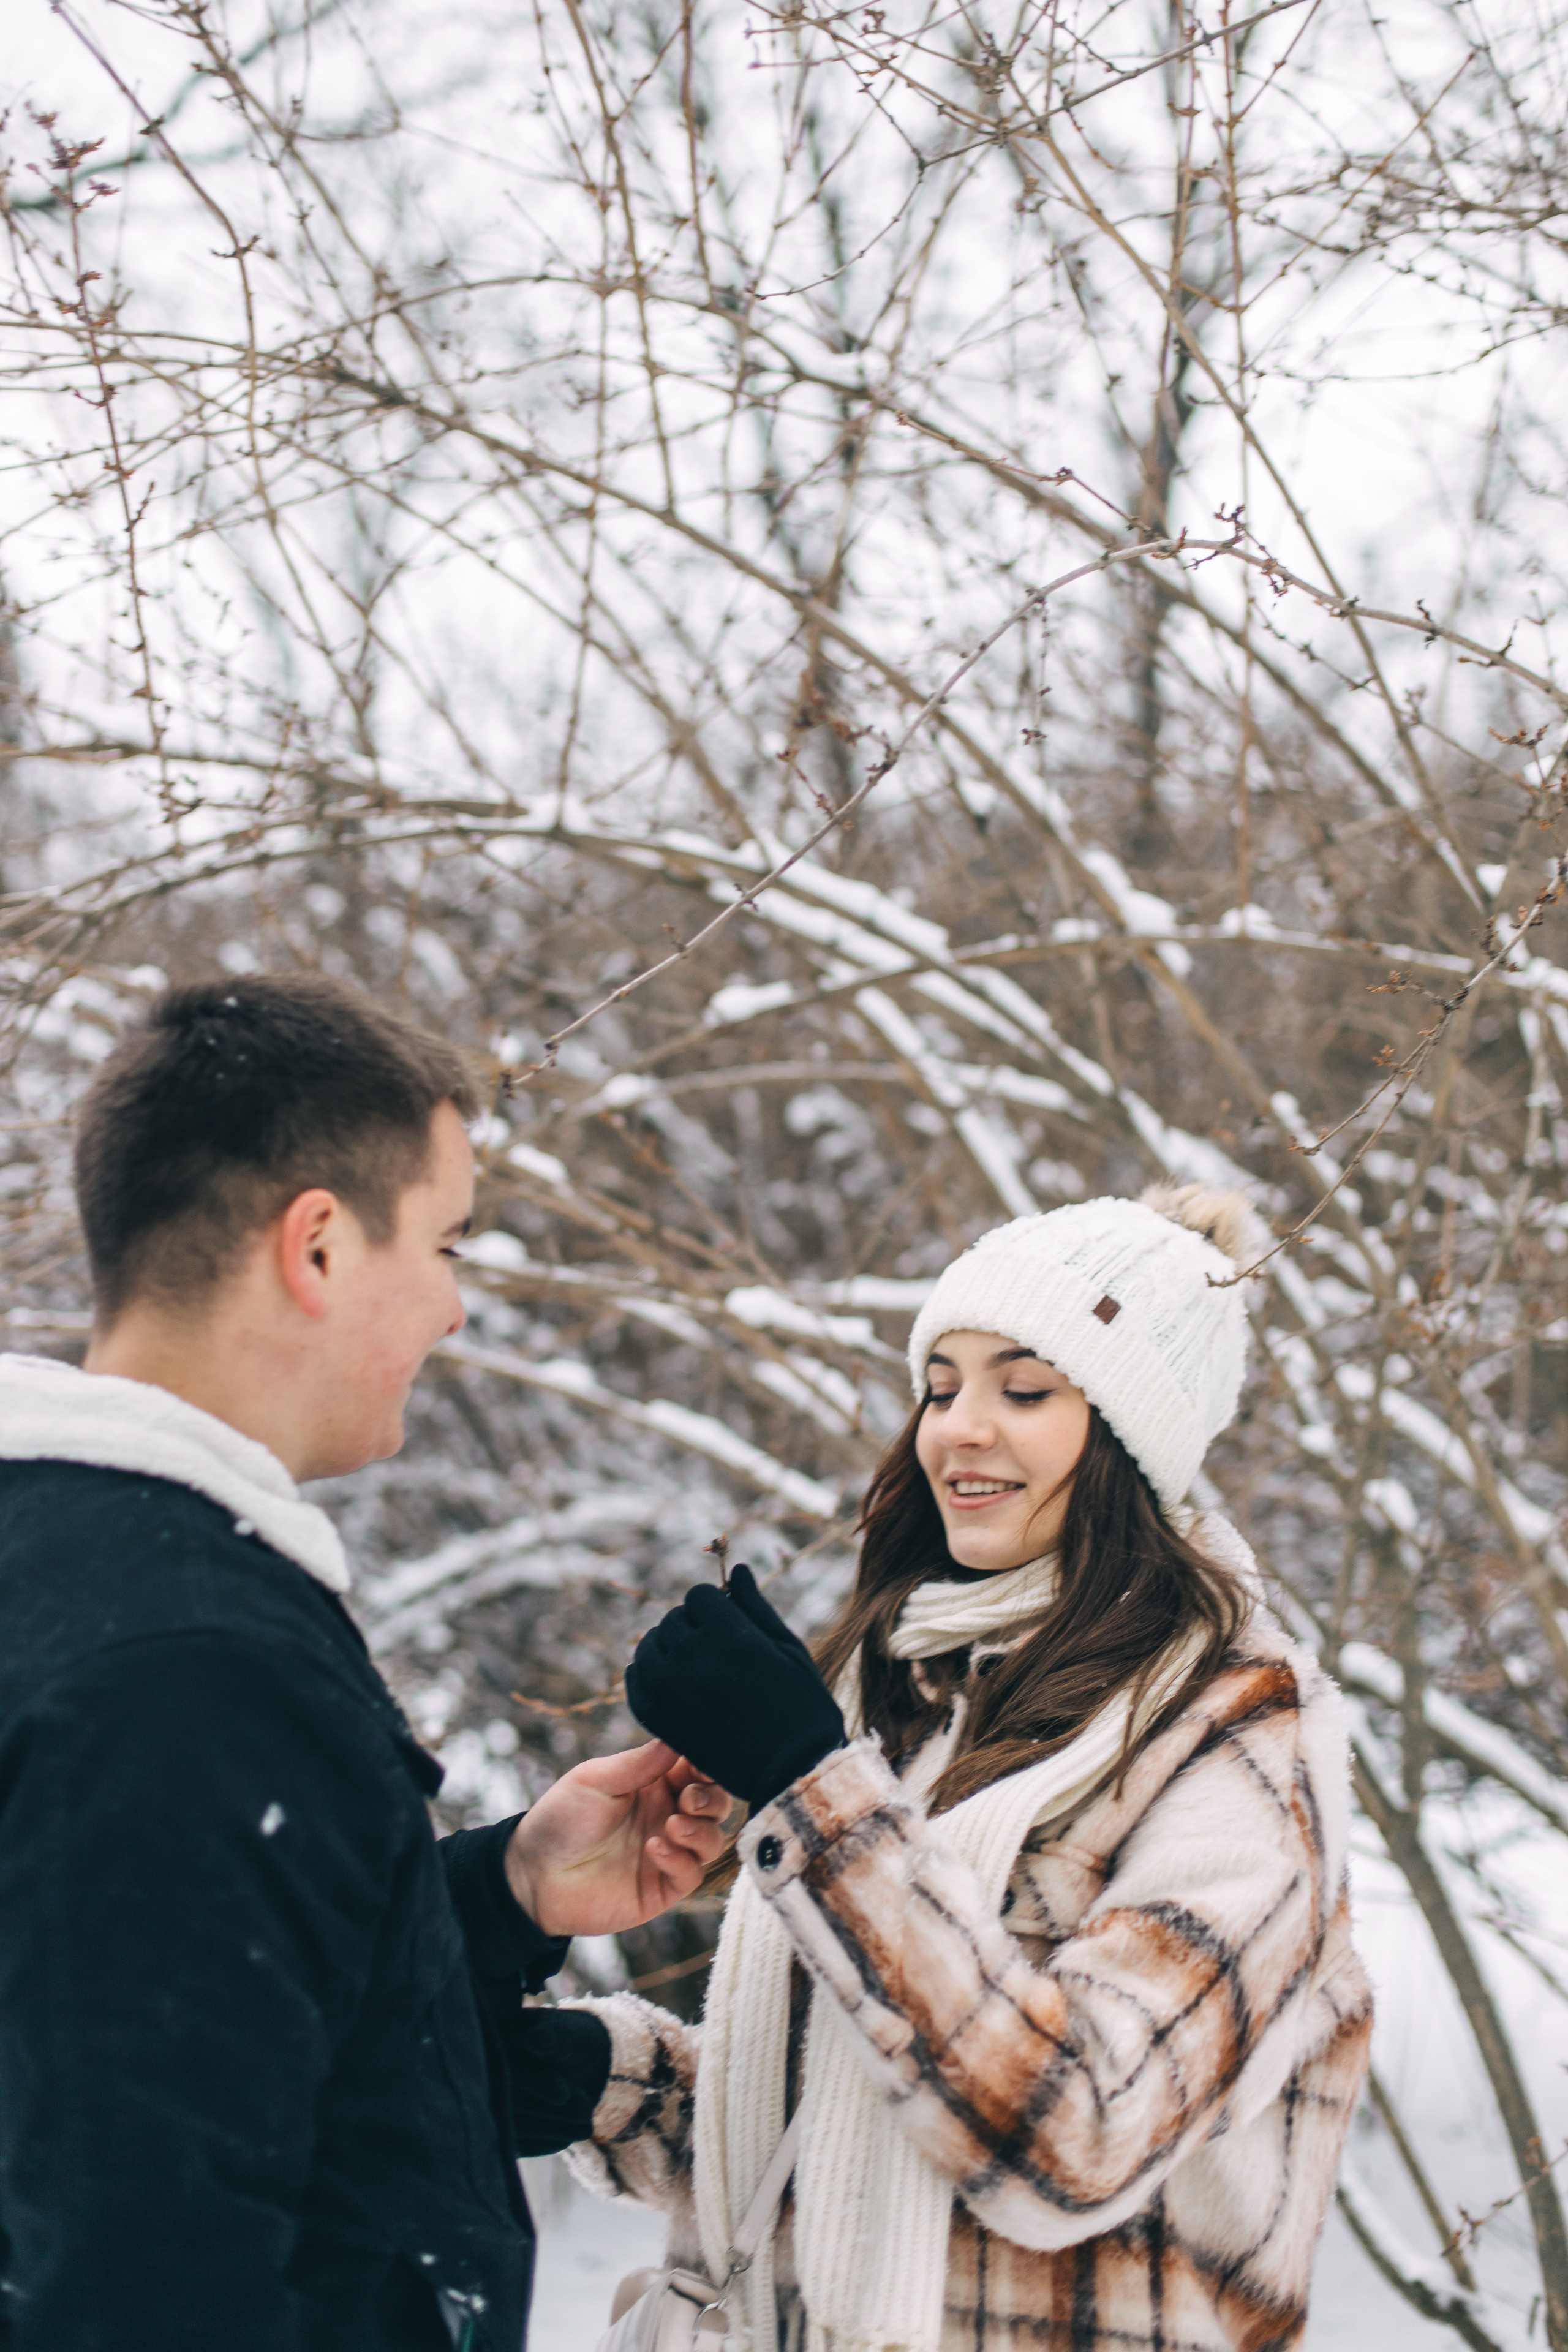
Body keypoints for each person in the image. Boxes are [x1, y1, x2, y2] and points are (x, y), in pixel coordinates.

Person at [0, 973, 722, 2352]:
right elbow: (145, 2267)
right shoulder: (186, 1670)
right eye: (446, 1244)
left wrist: (498, 1892)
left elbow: (185, 2030)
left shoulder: (74, 1573)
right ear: (317, 1246)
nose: (454, 1310)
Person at [568, 1186, 1373, 2352]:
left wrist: (814, 1796)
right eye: (941, 1387)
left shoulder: (1234, 1736)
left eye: (1025, 1389)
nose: (958, 1427)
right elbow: (856, 2123)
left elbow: (1078, 2132)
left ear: (1130, 1434)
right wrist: (600, 2080)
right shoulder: (919, 1692)